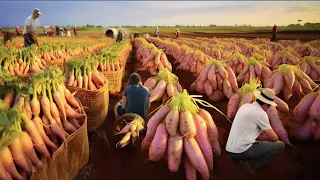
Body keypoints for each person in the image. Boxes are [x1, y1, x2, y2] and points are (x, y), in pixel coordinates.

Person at [225, 88, 285, 174]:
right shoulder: (261, 113)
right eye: (269, 106)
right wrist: (268, 136)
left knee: (258, 140)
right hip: (241, 152)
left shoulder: (245, 106)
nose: (268, 108)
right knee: (280, 145)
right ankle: (250, 164)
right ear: (266, 104)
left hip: (230, 149)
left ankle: (239, 159)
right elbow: (274, 138)